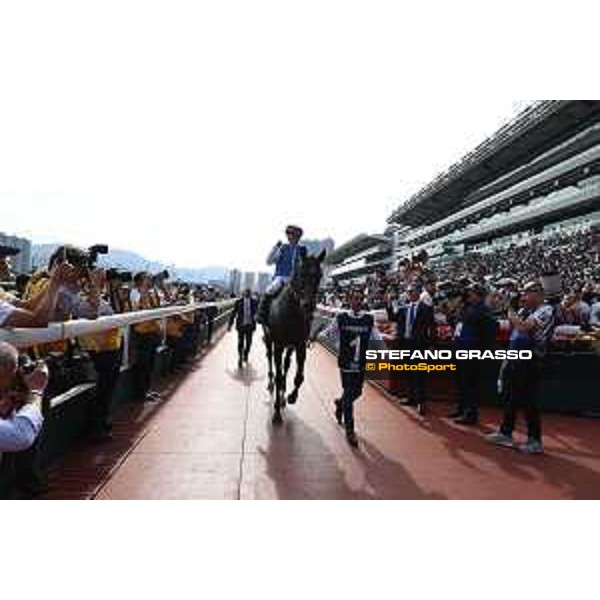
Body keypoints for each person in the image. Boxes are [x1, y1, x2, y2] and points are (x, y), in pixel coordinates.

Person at [487, 281, 555, 454]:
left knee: (529, 401)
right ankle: (505, 433)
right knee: (510, 398)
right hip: (514, 359)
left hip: (531, 360)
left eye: (527, 293)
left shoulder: (545, 310)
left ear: (538, 294)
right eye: (523, 293)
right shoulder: (525, 311)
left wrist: (509, 309)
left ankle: (534, 440)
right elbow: (511, 329)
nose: (523, 296)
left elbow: (523, 327)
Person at [319, 289, 383, 448]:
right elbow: (330, 333)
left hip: (361, 362)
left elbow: (376, 337)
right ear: (349, 300)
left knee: (357, 392)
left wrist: (384, 352)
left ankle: (340, 404)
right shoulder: (341, 317)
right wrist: (321, 335)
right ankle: (350, 430)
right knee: (349, 392)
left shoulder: (368, 319)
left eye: (360, 299)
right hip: (346, 362)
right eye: (354, 299)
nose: (357, 302)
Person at [450, 283, 497, 425]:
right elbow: (456, 322)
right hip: (460, 347)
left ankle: (471, 414)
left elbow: (490, 331)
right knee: (460, 381)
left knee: (470, 383)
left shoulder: (484, 310)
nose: (469, 295)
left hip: (472, 350)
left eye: (471, 293)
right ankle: (461, 409)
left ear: (479, 294)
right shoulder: (466, 307)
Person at [394, 283, 435, 416]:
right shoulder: (404, 308)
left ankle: (421, 401)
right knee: (409, 372)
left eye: (412, 291)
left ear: (418, 292)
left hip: (420, 345)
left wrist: (431, 344)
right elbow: (394, 318)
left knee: (420, 374)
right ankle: (411, 397)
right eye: (408, 291)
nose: (410, 293)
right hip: (406, 344)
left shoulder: (426, 308)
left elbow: (432, 327)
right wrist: (389, 303)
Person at [257, 225, 308, 325]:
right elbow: (269, 261)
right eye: (289, 235)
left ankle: (308, 319)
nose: (291, 237)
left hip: (296, 280)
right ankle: (261, 314)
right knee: (269, 291)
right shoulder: (283, 248)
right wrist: (275, 248)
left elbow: (306, 265)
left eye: (294, 235)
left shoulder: (302, 249)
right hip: (281, 278)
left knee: (308, 296)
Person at [130, 272, 163, 402]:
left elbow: (157, 311)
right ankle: (139, 394)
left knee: (149, 365)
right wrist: (144, 290)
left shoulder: (151, 294)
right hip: (141, 334)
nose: (150, 281)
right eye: (147, 279)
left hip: (152, 333)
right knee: (142, 366)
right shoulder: (135, 294)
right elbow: (146, 311)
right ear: (140, 282)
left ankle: (146, 390)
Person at [228, 289, 258, 369]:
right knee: (240, 342)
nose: (247, 294)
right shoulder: (238, 301)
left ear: (250, 294)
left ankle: (246, 354)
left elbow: (257, 312)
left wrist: (256, 317)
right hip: (241, 326)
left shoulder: (254, 302)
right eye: (246, 292)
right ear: (243, 293)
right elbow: (233, 313)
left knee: (249, 343)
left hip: (250, 326)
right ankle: (240, 357)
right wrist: (230, 325)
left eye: (248, 293)